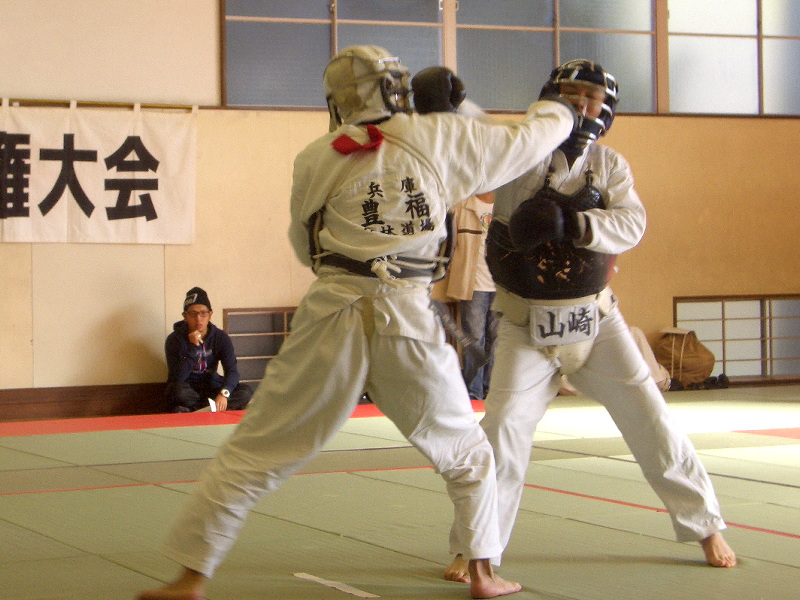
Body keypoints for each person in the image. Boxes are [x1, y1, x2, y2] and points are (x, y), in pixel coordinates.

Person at [137, 46, 577, 600]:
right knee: (466, 449)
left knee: (257, 448)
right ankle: (484, 575)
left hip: (333, 309)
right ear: (398, 90)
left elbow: (305, 245)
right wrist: (556, 107)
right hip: (409, 314)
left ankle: (188, 577)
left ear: (338, 103)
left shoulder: (317, 156)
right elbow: (527, 142)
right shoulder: (441, 136)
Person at [444, 59, 736, 583]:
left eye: (591, 97)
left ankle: (705, 524)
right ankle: (476, 546)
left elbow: (632, 222)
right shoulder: (518, 150)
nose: (581, 104)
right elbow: (479, 135)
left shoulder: (610, 165)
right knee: (503, 431)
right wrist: (455, 101)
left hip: (597, 322)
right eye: (571, 93)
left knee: (651, 419)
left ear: (607, 110)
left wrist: (574, 222)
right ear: (548, 97)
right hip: (523, 326)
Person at [165, 287, 252, 413]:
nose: (198, 318)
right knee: (176, 392)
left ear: (210, 314)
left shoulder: (220, 337)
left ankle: (197, 409)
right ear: (185, 316)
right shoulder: (174, 339)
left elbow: (232, 371)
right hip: (188, 388)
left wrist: (224, 393)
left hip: (212, 386)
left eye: (203, 313)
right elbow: (177, 377)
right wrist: (193, 347)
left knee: (245, 391)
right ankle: (210, 408)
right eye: (193, 314)